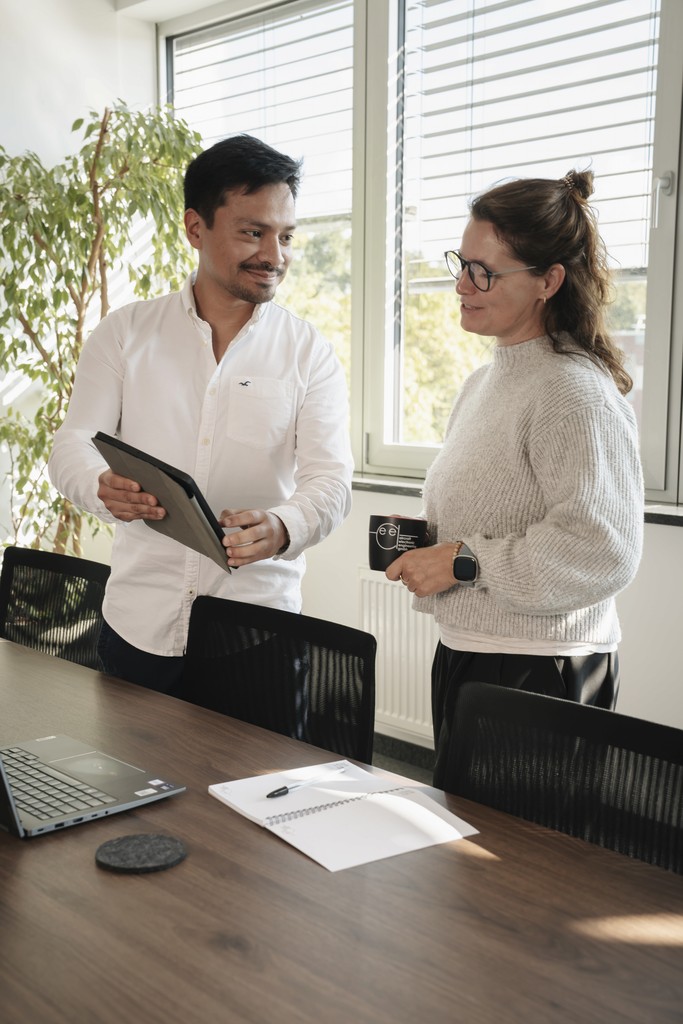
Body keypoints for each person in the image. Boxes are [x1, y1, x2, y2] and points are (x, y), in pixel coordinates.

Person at [48, 134, 353, 692]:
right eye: (252, 232)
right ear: (195, 228)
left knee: (256, 784)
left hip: (257, 633)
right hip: (138, 626)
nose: (274, 255)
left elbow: (331, 480)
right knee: (130, 783)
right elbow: (72, 442)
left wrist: (286, 524)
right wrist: (100, 485)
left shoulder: (309, 351)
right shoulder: (124, 333)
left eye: (285, 236)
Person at [385, 170, 644, 790]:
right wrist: (428, 547)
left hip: (541, 674)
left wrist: (463, 562)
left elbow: (603, 549)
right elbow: (487, 519)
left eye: (484, 271)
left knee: (513, 876)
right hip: (471, 651)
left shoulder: (575, 393)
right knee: (463, 854)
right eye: (461, 264)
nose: (460, 285)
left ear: (548, 281)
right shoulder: (484, 383)